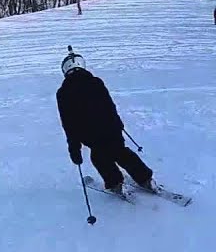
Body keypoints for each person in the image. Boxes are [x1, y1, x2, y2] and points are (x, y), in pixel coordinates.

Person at [57, 47, 154, 194]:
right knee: (121, 152)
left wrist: (74, 148)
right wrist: (118, 124)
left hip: (90, 135)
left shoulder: (63, 92)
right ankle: (145, 179)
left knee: (100, 158)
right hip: (111, 129)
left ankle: (116, 184)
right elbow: (109, 106)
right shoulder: (96, 82)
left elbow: (68, 123)